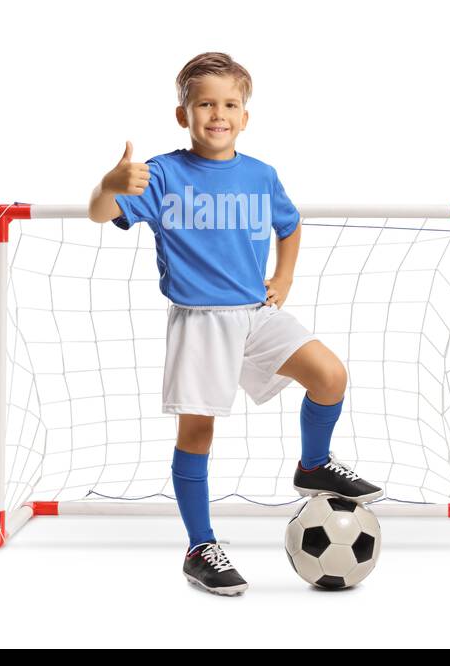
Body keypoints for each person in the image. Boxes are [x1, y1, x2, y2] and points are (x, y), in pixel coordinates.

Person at [88, 52, 383, 596]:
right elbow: (100, 212)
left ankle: (314, 464)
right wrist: (109, 183)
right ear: (183, 114)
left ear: (245, 116)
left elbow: (289, 225)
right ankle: (201, 546)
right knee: (198, 431)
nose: (217, 114)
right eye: (204, 103)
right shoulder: (162, 174)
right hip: (200, 322)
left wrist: (284, 276)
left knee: (329, 376)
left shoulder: (260, 174)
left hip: (256, 313)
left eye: (229, 104)